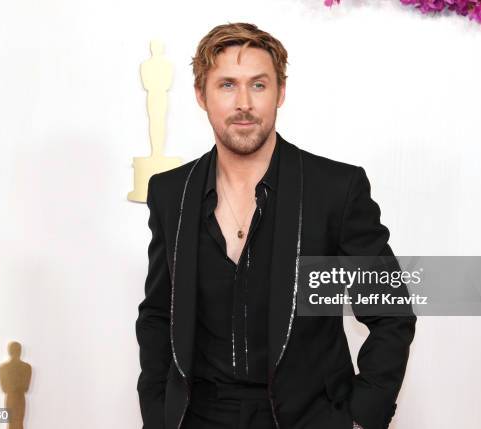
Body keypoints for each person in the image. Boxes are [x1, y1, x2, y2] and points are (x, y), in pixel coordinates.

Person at [135, 22, 417, 429]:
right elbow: (159, 314)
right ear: (202, 95)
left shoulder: (335, 188)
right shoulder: (169, 192)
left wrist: (361, 417)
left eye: (259, 85)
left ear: (281, 92)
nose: (244, 103)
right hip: (198, 417)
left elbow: (391, 312)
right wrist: (157, 415)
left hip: (309, 418)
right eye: (227, 85)